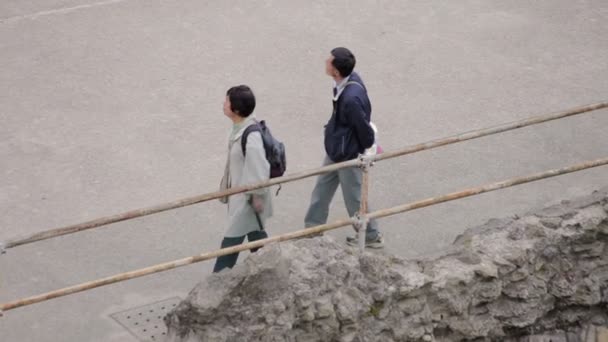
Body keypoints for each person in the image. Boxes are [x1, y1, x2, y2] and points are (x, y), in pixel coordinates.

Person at [304, 47, 384, 248]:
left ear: (336, 71)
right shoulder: (346, 83)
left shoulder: (350, 98)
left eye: (329, 61)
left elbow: (363, 128)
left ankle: (372, 235)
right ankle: (312, 230)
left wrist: (366, 149)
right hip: (336, 149)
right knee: (321, 190)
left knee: (354, 197)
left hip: (347, 153)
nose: (325, 61)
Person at [214, 85, 273, 272]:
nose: (223, 104)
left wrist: (255, 197)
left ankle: (216, 282)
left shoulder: (251, 135)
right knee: (257, 238)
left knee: (230, 243)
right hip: (244, 199)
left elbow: (258, 169)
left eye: (227, 100)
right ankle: (270, 270)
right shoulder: (238, 130)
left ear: (236, 109)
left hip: (248, 200)